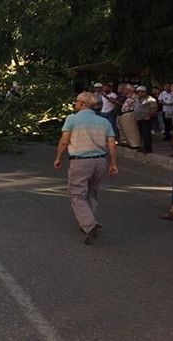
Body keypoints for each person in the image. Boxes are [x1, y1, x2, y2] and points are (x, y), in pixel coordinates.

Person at [54, 92, 118, 244]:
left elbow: (64, 141)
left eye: (76, 101)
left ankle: (90, 225)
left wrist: (58, 158)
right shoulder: (104, 122)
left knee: (77, 194)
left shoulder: (72, 119)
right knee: (92, 192)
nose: (75, 104)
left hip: (80, 161)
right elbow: (111, 144)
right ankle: (87, 222)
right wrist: (113, 163)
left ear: (82, 103)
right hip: (100, 161)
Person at [134, 86, 157, 154]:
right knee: (142, 133)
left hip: (147, 118)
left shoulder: (150, 99)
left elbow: (154, 108)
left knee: (146, 133)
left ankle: (148, 148)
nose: (140, 93)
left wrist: (149, 115)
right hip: (139, 118)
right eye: (139, 92)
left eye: (142, 92)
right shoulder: (137, 99)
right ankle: (144, 146)